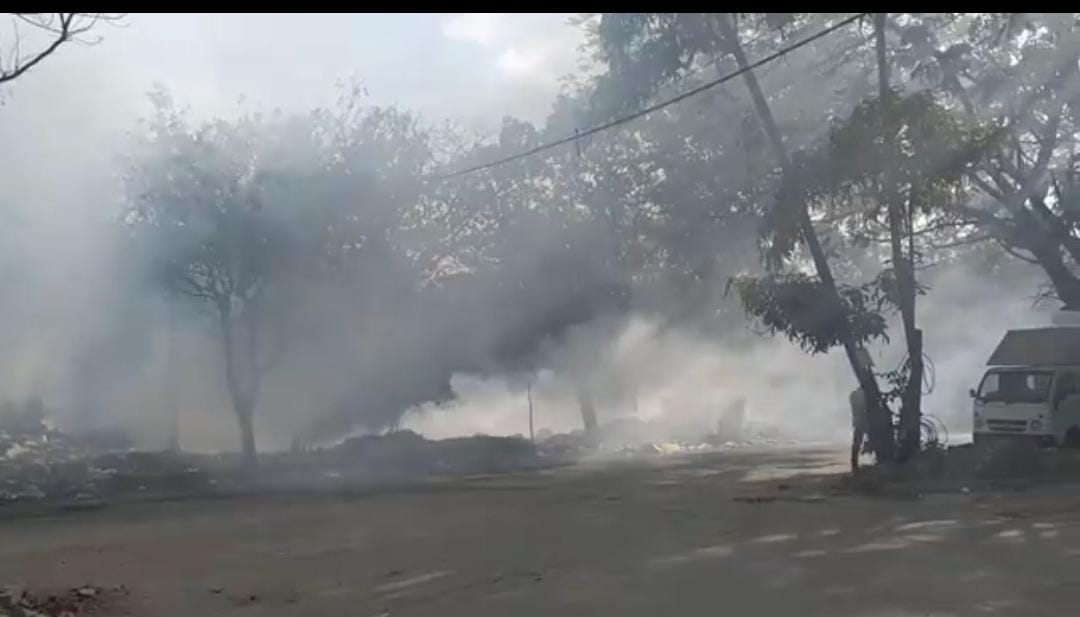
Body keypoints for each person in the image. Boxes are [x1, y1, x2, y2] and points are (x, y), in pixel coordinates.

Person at [849, 385, 868, 473]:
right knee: (857, 442)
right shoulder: (865, 395)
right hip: (866, 421)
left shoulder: (853, 395)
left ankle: (854, 464)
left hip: (857, 421)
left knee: (856, 443)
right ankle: (854, 464)